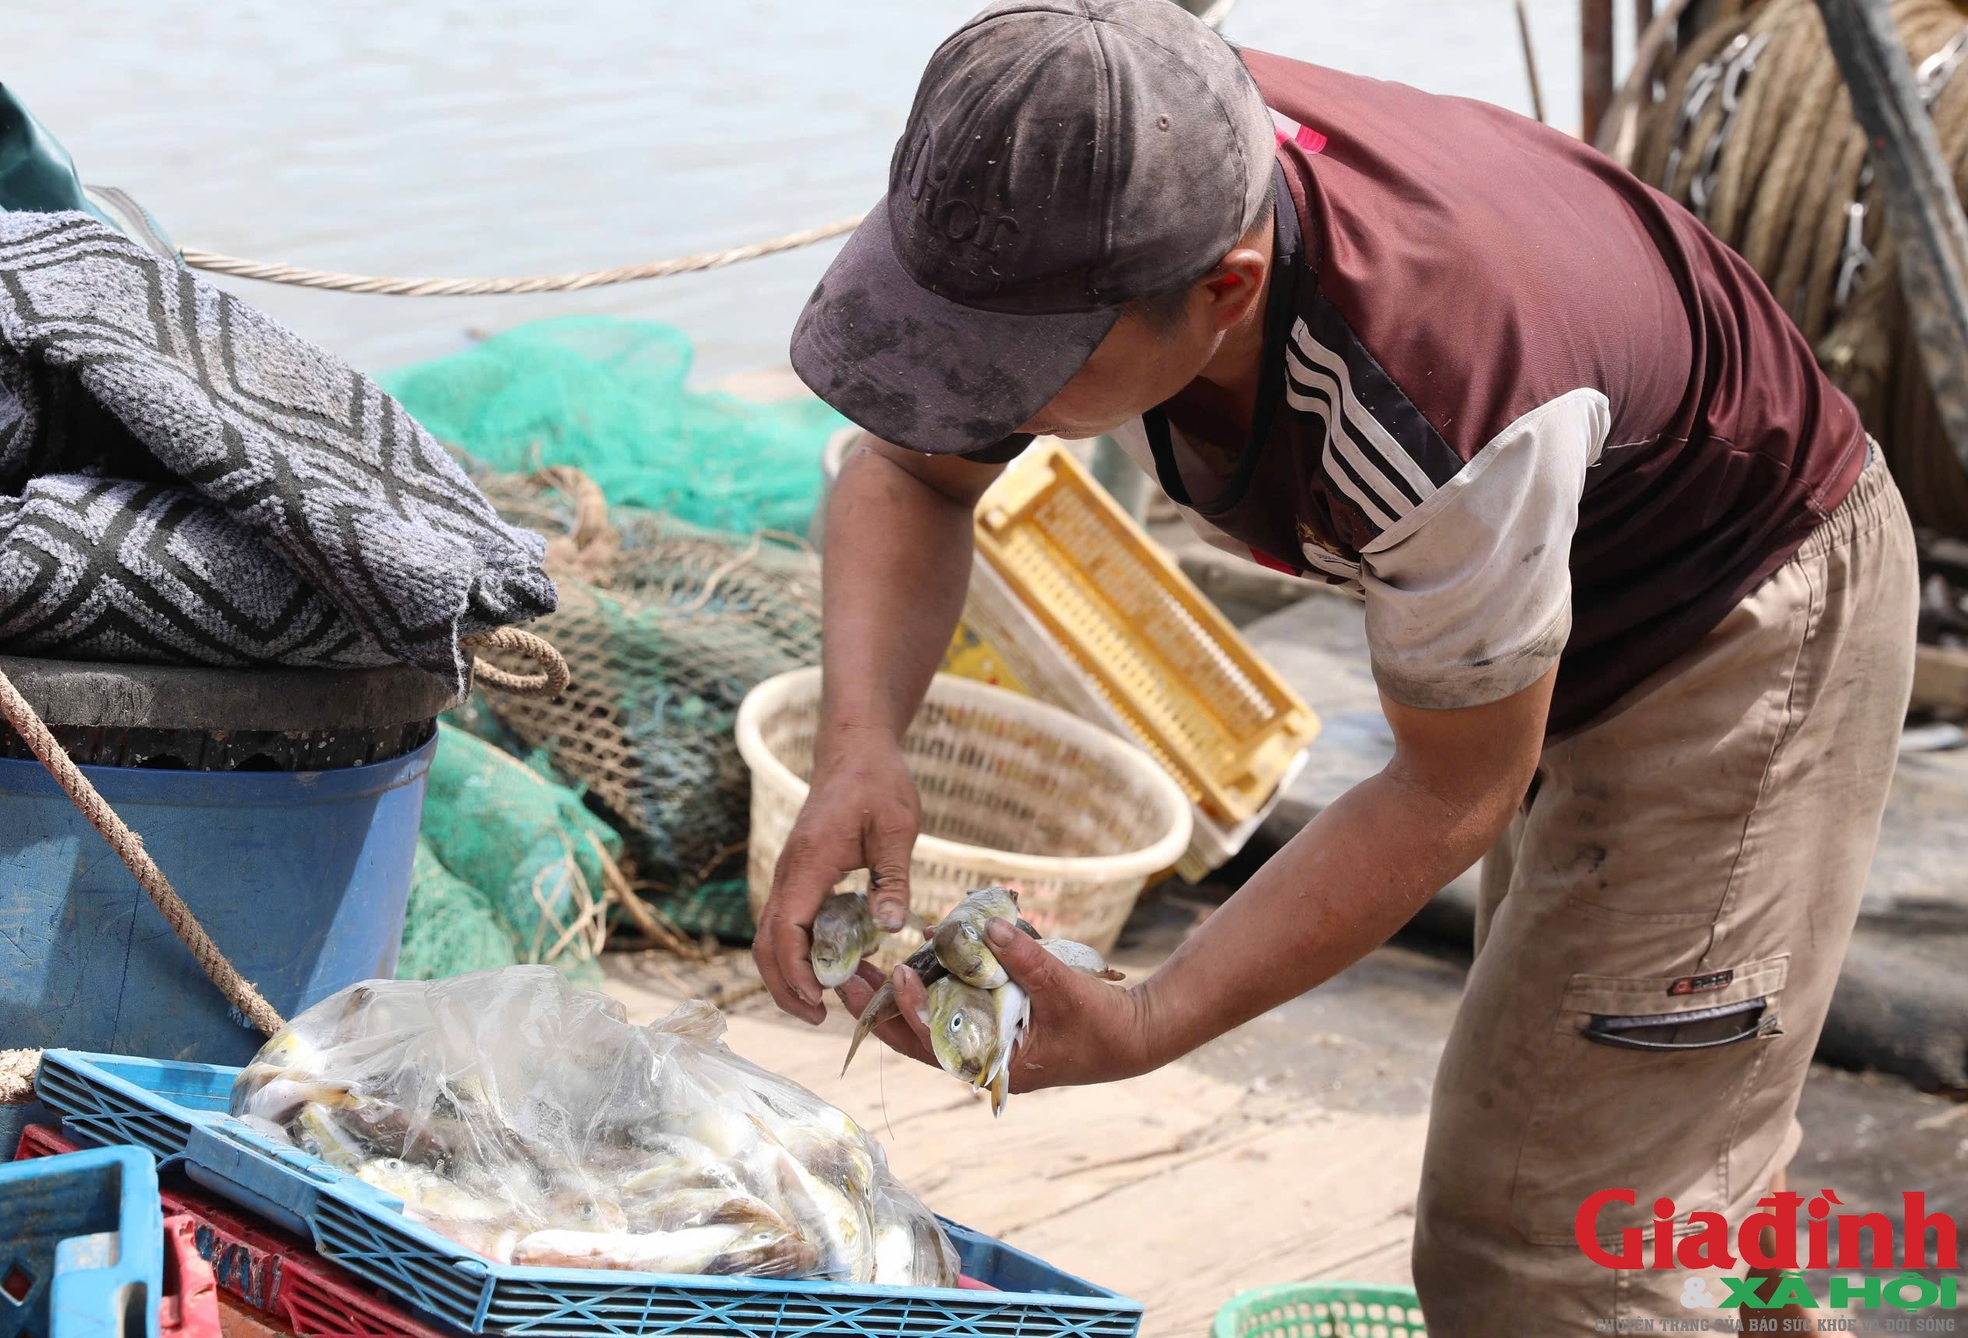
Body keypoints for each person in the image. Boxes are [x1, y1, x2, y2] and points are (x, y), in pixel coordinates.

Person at [751, 1, 1919, 1330]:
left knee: (1547, 1241)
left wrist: (1150, 1019)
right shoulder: (1092, 156)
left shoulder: (1434, 401)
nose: (969, 395)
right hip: (1558, 581)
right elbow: (913, 463)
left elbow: (1449, 788)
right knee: (1660, 1126)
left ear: (1226, 291)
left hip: (1735, 620)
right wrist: (863, 738)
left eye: (1015, 367)